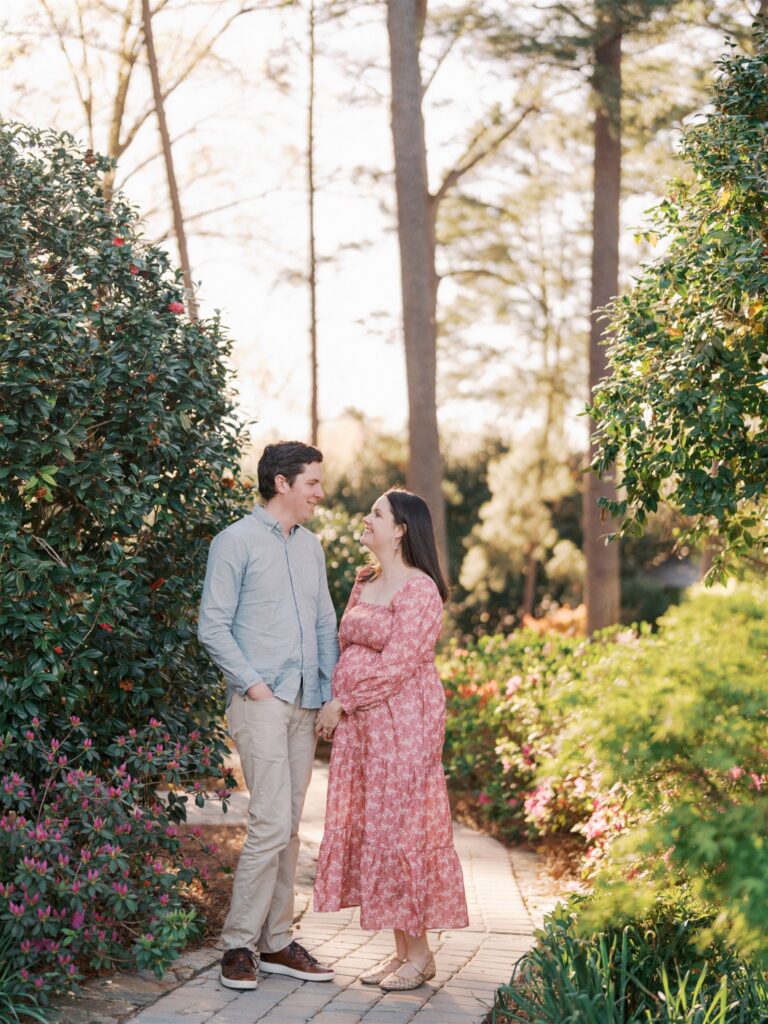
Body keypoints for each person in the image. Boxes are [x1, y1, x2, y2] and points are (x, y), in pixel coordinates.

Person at [313, 488, 469, 991]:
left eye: (376, 514)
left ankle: (421, 954)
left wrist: (344, 702)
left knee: (400, 831)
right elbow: (349, 645)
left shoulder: (420, 590)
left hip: (403, 723)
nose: (366, 518)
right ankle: (403, 951)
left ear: (400, 529)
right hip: (364, 729)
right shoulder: (366, 581)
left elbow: (401, 664)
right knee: (377, 830)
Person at [198, 441, 339, 991]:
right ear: (282, 483)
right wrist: (254, 685)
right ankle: (238, 944)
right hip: (260, 701)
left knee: (290, 829)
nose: (320, 494)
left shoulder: (312, 548)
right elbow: (213, 625)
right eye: (312, 483)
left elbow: (326, 623)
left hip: (305, 702)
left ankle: (276, 942)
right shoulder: (233, 542)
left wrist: (327, 694)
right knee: (271, 823)